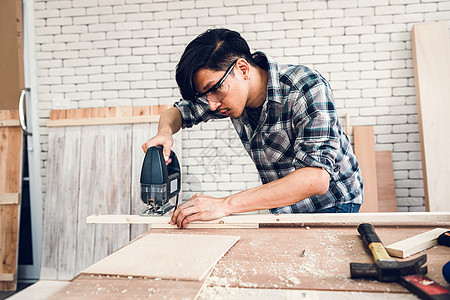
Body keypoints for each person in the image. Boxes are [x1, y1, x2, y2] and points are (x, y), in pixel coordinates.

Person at [142, 28, 363, 228]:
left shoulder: (306, 87)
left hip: (333, 202)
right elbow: (176, 113)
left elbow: (316, 179)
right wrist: (165, 133)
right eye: (204, 95)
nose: (211, 104)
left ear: (242, 68)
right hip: (285, 207)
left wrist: (225, 205)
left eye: (214, 89)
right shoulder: (225, 95)